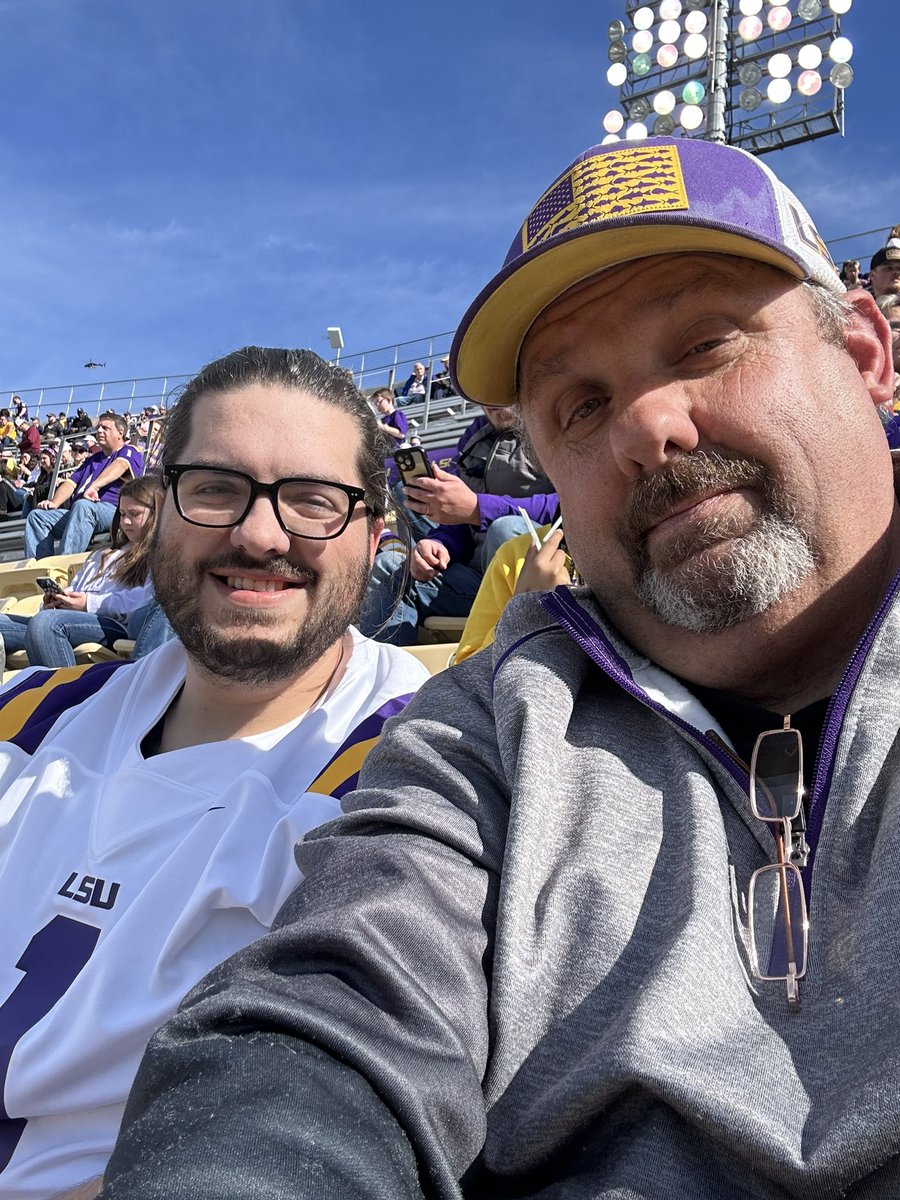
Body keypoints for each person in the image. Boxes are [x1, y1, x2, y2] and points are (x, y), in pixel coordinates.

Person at [99, 139, 900, 1200]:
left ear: (863, 350)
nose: (650, 429)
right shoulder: (493, 720)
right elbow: (330, 1021)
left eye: (707, 343)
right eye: (579, 405)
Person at [0, 346, 428, 1199]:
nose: (259, 533)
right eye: (217, 488)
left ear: (375, 537)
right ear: (160, 512)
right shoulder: (30, 712)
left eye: (313, 499)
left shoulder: (410, 767)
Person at [360, 401, 556, 643]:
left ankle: (520, 652)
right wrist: (440, 543)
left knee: (504, 530)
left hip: (544, 579)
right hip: (478, 582)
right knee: (388, 567)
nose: (490, 400)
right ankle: (391, 678)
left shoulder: (551, 425)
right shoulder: (475, 437)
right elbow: (462, 521)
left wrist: (477, 508)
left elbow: (564, 506)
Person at [0, 476, 158, 667]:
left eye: (134, 514)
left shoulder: (157, 556)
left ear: (155, 514)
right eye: (122, 513)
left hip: (110, 624)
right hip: (72, 617)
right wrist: (58, 602)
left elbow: (144, 602)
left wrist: (87, 604)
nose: (125, 521)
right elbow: (76, 588)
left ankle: (64, 696)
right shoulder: (102, 554)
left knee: (46, 624)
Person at [24, 411, 143, 559]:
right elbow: (70, 483)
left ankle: (63, 565)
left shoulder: (129, 451)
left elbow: (120, 465)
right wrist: (54, 503)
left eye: (105, 428)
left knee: (83, 506)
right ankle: (38, 569)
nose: (99, 430)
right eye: (98, 427)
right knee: (37, 517)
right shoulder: (92, 459)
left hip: (112, 510)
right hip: (79, 512)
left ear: (120, 433)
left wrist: (94, 487)